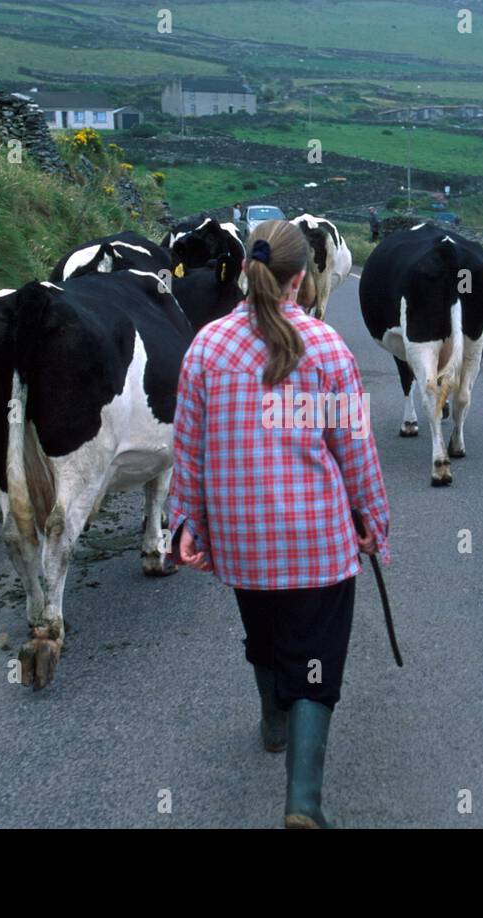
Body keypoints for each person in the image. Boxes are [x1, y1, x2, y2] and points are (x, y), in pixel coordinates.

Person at [167, 219, 391, 829]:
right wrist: (371, 518)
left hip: (242, 542)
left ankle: (272, 719)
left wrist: (185, 522)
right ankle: (303, 802)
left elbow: (186, 450)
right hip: (318, 543)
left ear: (245, 272)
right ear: (302, 278)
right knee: (314, 657)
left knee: (263, 631)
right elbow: (355, 450)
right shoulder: (327, 348)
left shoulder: (207, 347)